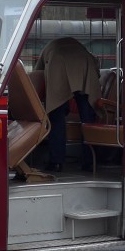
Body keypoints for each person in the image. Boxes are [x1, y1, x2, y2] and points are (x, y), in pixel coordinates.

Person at [35, 36, 100, 172]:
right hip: (84, 62)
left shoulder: (48, 49)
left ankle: (56, 162)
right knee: (87, 119)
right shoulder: (78, 46)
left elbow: (37, 75)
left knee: (56, 116)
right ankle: (89, 162)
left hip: (57, 62)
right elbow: (96, 68)